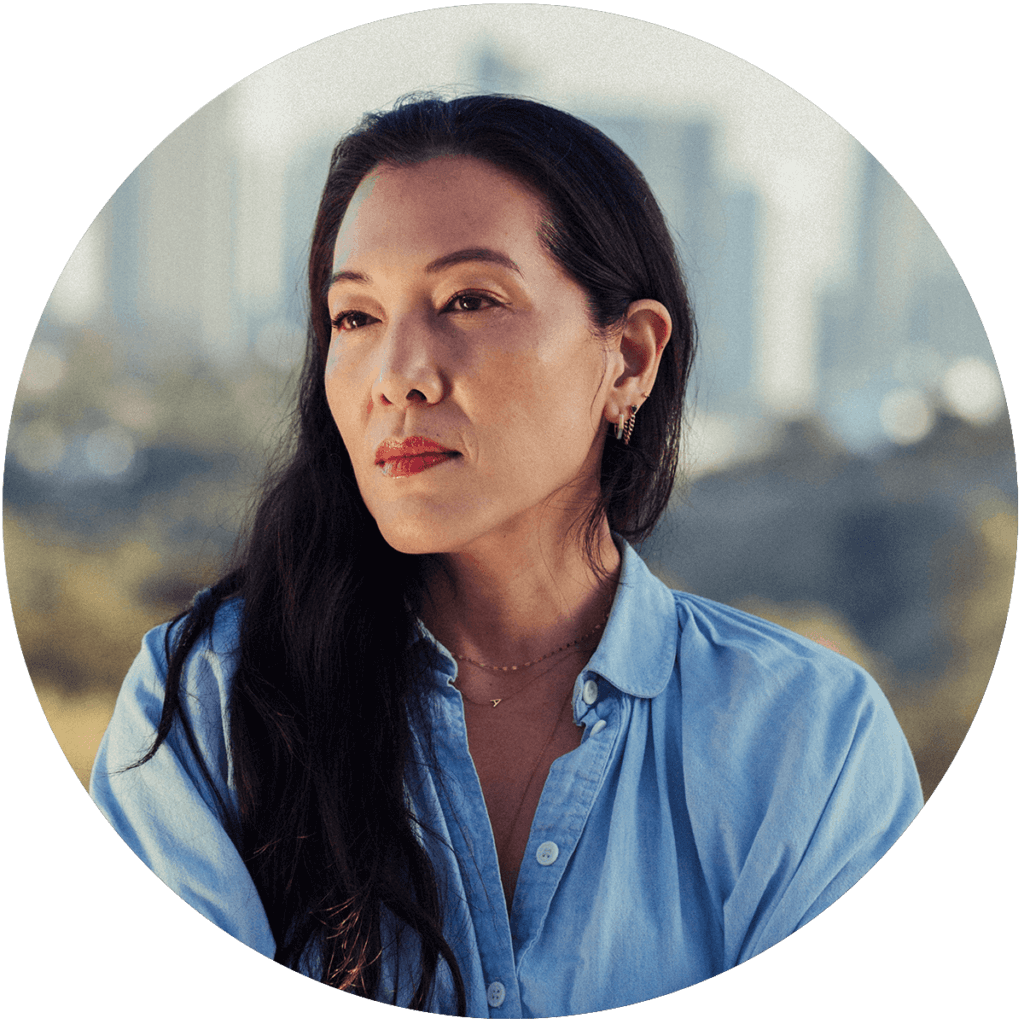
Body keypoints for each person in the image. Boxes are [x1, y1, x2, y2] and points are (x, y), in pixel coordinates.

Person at [89, 93, 923, 1016]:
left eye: (469, 300)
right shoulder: (204, 706)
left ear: (631, 359)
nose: (399, 373)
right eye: (354, 317)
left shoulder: (808, 740)